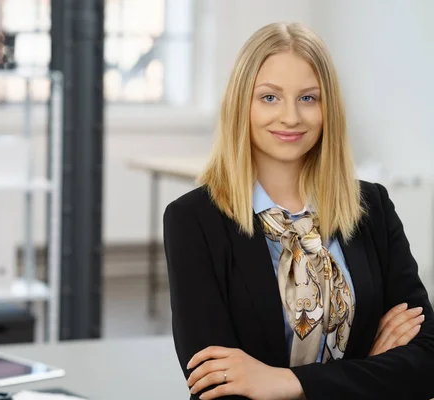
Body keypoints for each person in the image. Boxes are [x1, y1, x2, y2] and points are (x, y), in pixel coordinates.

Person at [163, 22, 434, 400]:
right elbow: (217, 386)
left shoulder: (372, 208)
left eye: (308, 98)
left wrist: (284, 382)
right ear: (242, 103)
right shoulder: (194, 221)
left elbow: (425, 361)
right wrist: (370, 369)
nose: (291, 117)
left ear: (328, 109)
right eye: (270, 98)